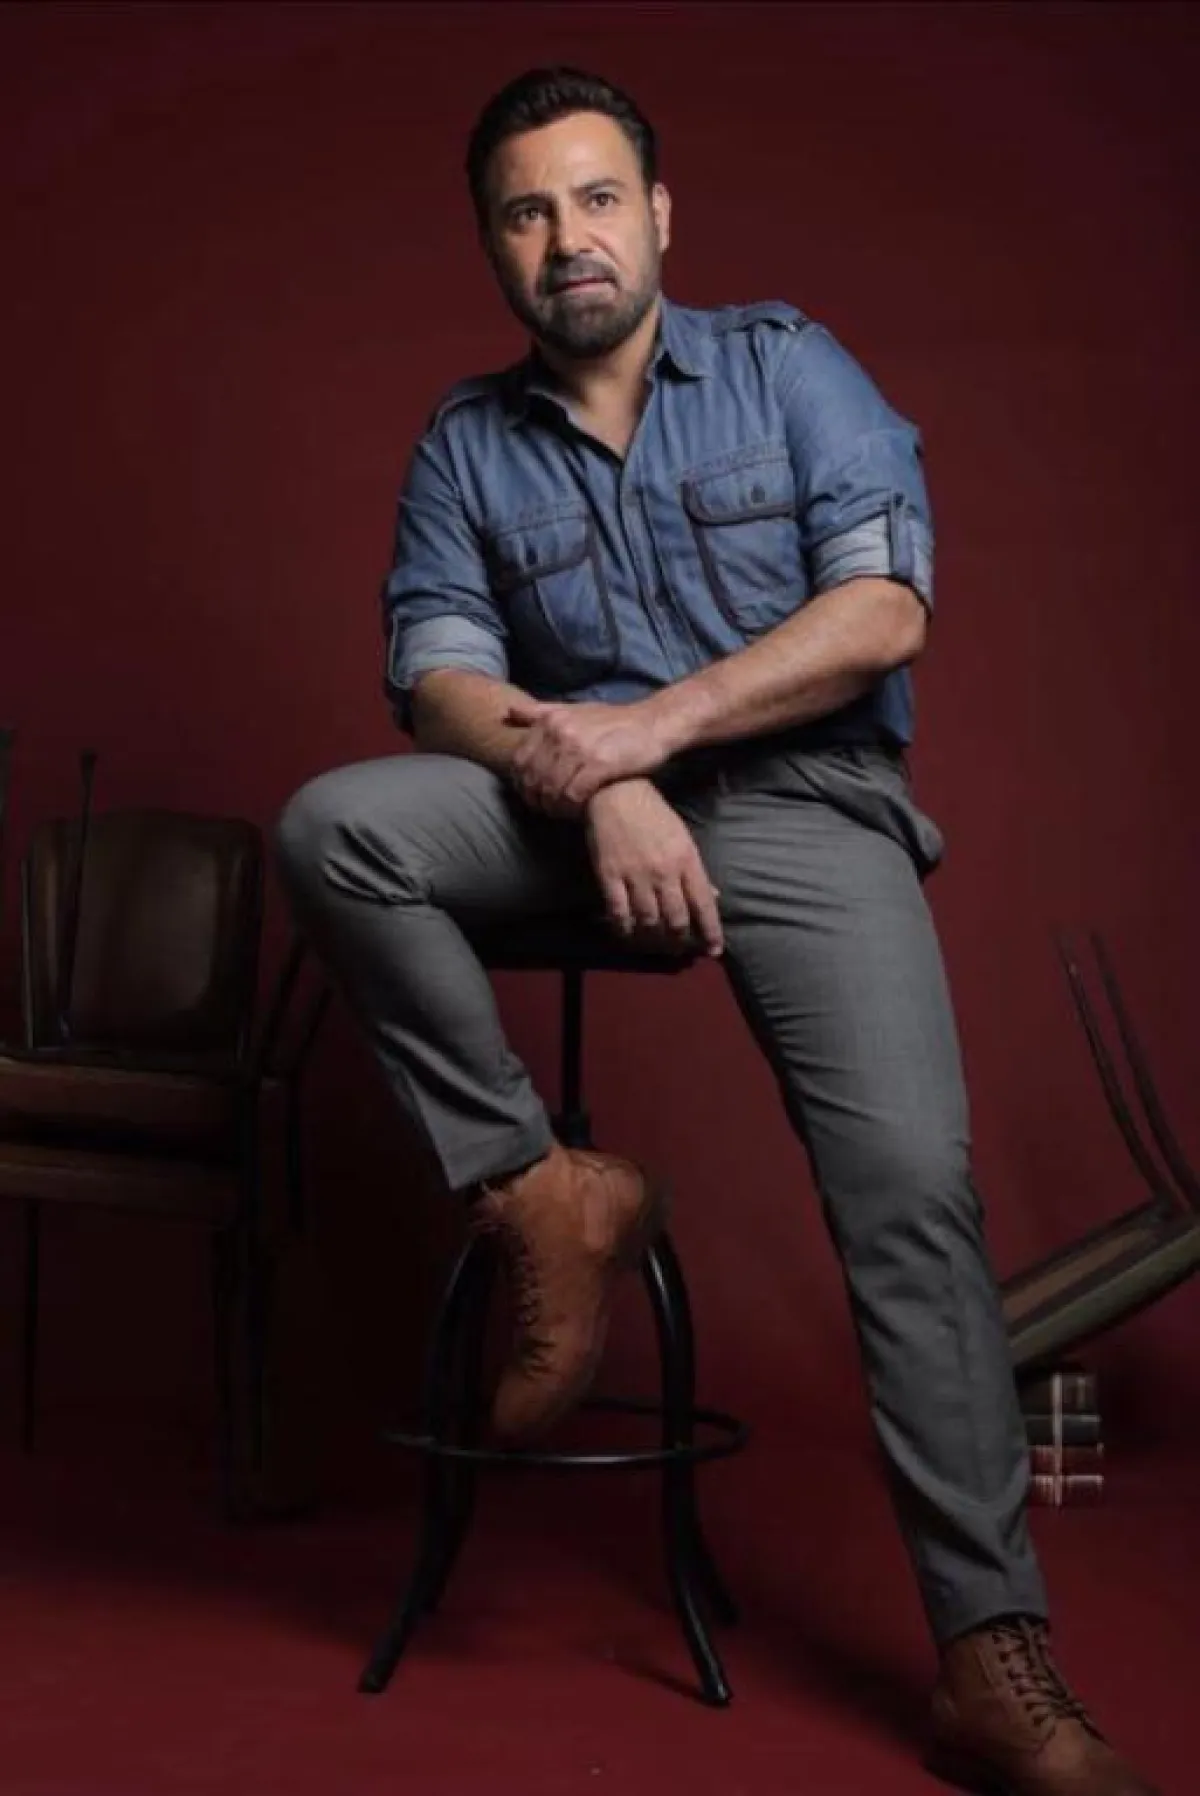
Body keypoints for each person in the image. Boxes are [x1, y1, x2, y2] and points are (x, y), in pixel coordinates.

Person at [275, 65, 1157, 1796]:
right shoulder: (465, 442)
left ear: (662, 216)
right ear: (493, 246)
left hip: (805, 811)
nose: (568, 238)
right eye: (528, 211)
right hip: (572, 815)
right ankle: (543, 1189)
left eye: (598, 198)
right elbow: (435, 677)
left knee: (911, 1193)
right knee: (337, 830)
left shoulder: (786, 367)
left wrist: (648, 734)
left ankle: (991, 1656)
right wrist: (595, 778)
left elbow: (882, 609)